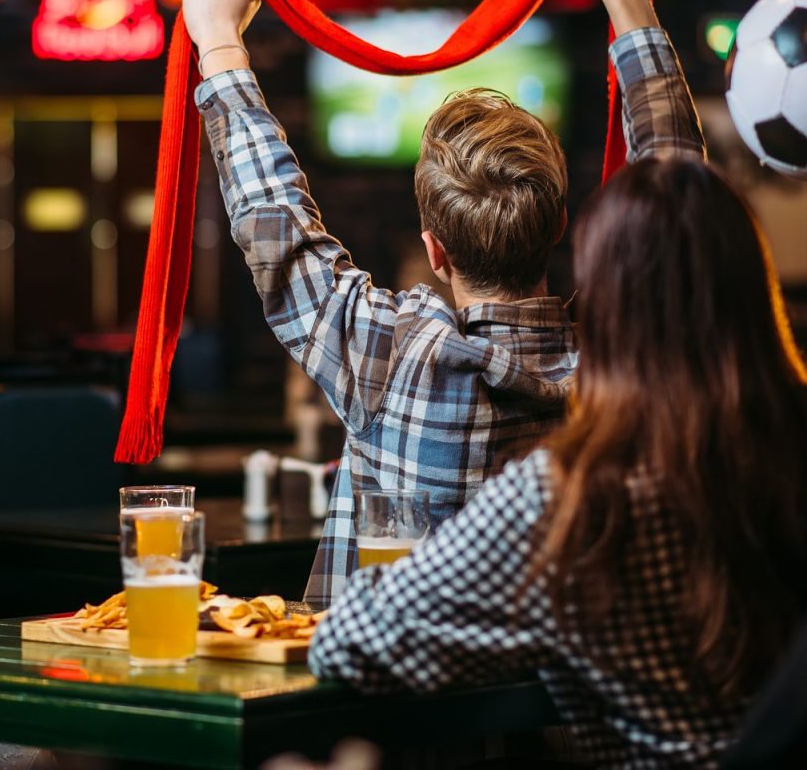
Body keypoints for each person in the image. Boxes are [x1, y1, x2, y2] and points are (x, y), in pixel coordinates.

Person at [182, 0, 706, 607]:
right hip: (555, 715)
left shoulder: (391, 357)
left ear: (435, 249)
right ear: (557, 225)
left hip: (382, 717)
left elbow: (275, 223)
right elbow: (681, 204)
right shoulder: (627, 358)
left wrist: (218, 42)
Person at [309, 156, 807, 768]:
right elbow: (689, 232)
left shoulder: (569, 497)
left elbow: (347, 641)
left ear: (606, 305)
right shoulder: (781, 454)